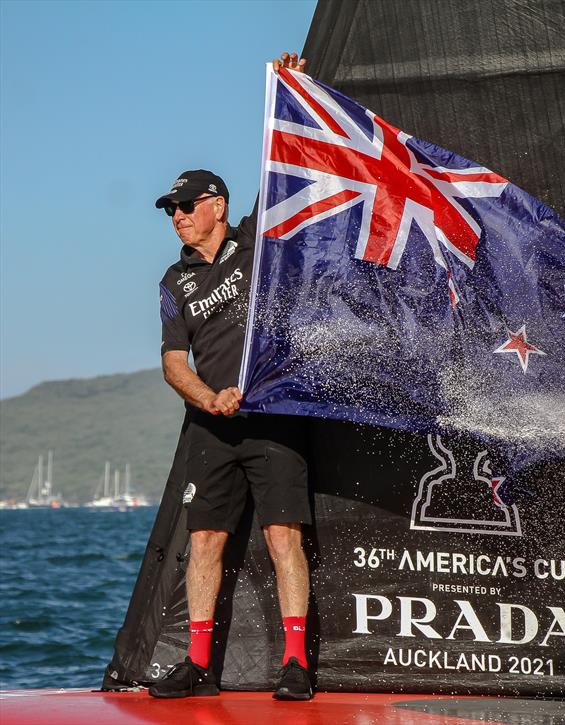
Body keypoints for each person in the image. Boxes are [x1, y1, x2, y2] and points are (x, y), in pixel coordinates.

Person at [148, 53, 315, 701]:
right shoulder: (174, 281)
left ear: (216, 204)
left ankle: (296, 662)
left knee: (282, 537)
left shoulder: (254, 241)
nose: (178, 216)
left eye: (186, 205)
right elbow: (171, 363)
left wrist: (294, 90)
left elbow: (284, 168)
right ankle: (197, 664)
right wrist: (207, 397)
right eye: (170, 209)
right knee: (205, 542)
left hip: (273, 415)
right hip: (210, 429)